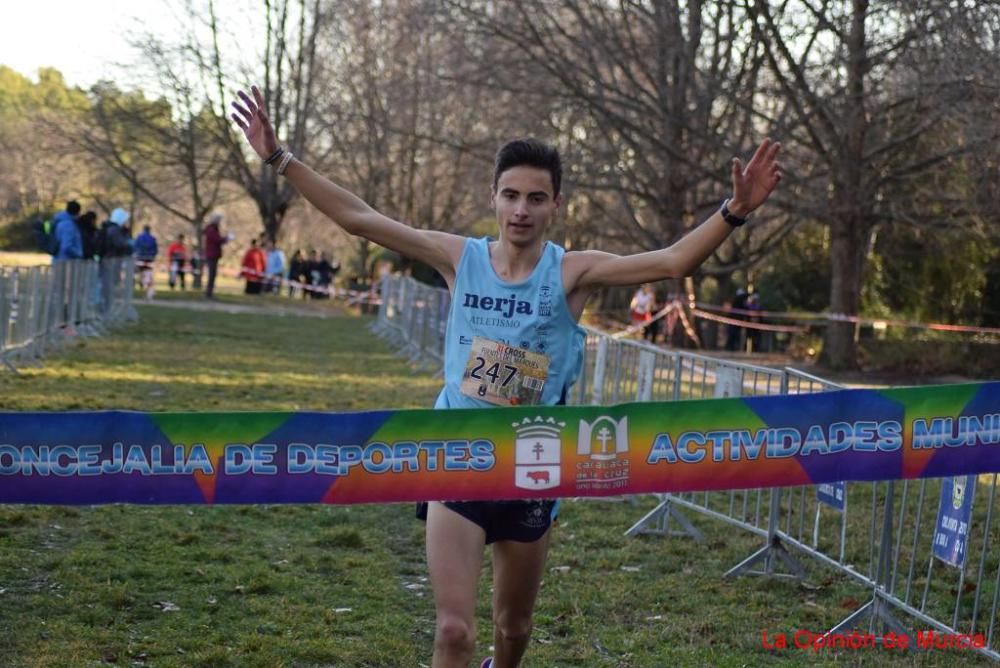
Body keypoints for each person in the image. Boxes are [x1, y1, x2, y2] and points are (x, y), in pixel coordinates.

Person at [231, 84, 781, 668]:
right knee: (453, 634)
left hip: (533, 465)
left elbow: (673, 261)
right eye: (511, 195)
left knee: (513, 629)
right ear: (494, 199)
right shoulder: (458, 258)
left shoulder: (574, 272)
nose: (522, 209)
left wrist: (735, 211)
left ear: (555, 205)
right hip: (458, 457)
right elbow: (359, 219)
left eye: (536, 198)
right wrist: (278, 159)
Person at [202, 214, 229, 299]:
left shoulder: (212, 229)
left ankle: (209, 292)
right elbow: (217, 240)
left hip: (213, 254)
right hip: (212, 255)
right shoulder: (212, 230)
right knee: (211, 274)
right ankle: (208, 293)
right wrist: (226, 239)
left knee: (212, 274)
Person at [134, 225, 159, 300]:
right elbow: (155, 249)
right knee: (148, 274)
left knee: (142, 274)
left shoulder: (139, 237)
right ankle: (148, 290)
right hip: (149, 259)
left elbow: (135, 247)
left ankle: (146, 289)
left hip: (140, 258)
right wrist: (152, 256)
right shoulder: (152, 238)